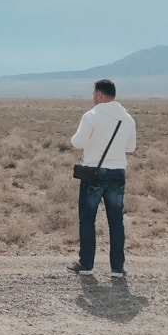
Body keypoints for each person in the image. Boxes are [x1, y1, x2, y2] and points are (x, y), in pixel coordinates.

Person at [68, 78, 137, 278]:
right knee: (116, 221)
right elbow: (130, 147)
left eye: (93, 94)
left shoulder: (91, 116)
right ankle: (117, 267)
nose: (92, 97)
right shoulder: (128, 119)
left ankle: (86, 264)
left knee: (88, 219)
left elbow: (78, 142)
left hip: (94, 173)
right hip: (118, 172)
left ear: (99, 94)